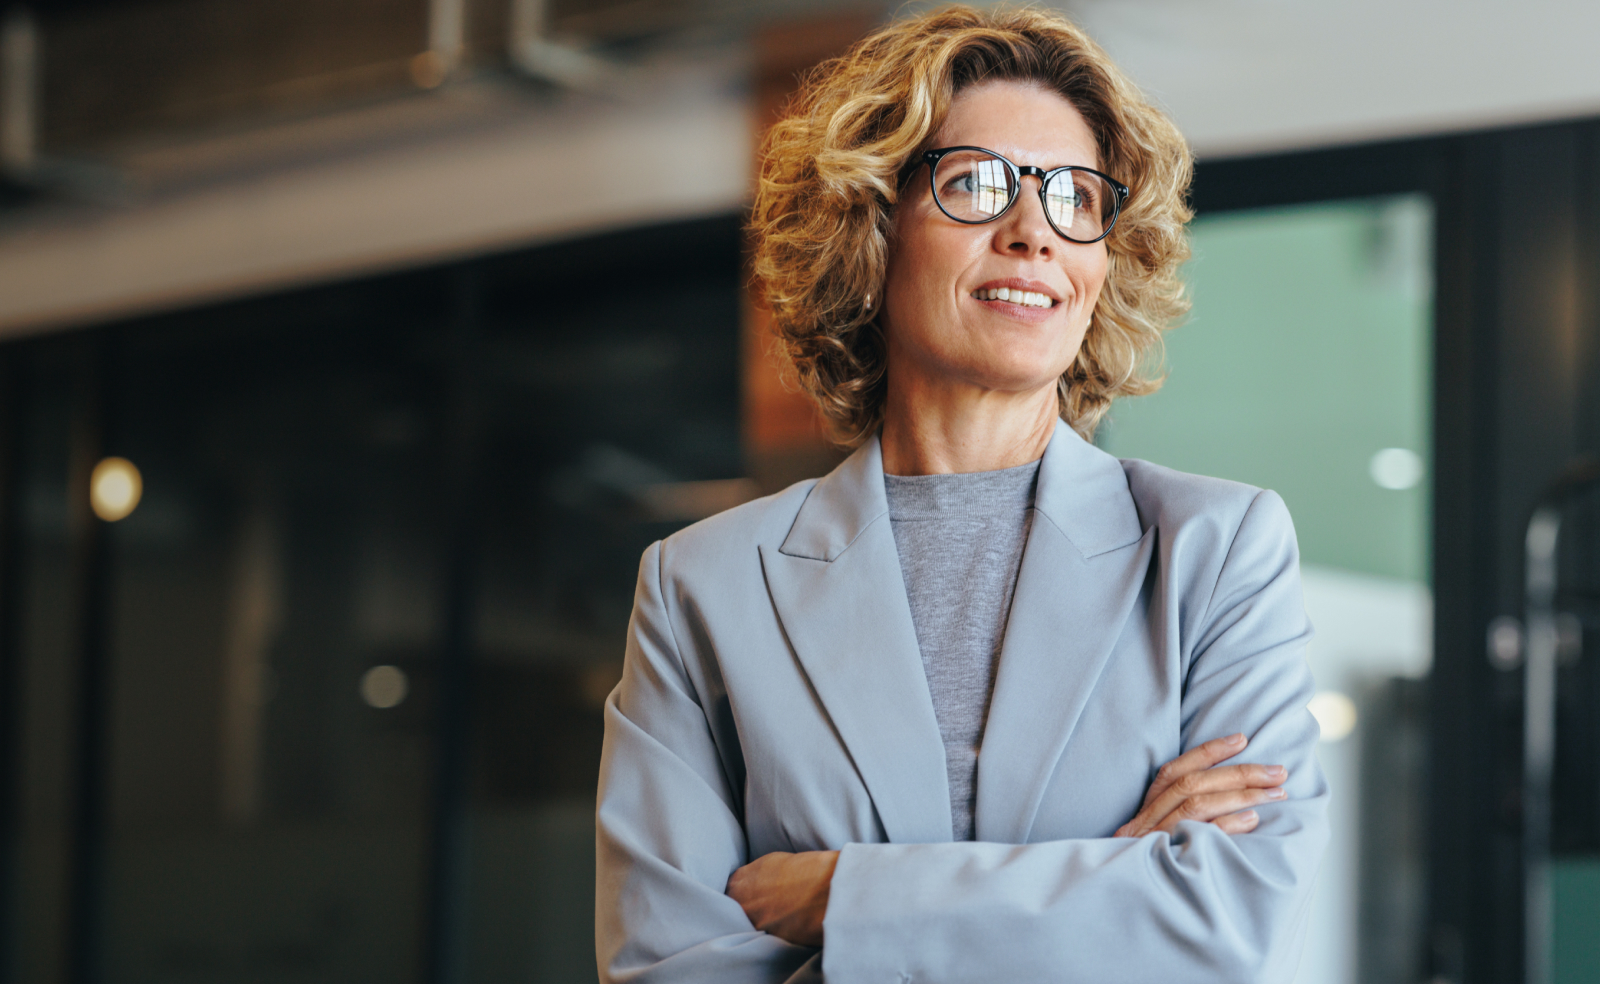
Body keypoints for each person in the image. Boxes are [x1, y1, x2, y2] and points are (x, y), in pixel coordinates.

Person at [595, 6, 1328, 981]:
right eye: (977, 185)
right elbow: (669, 970)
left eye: (1074, 195)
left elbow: (1223, 929)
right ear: (871, 221)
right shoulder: (700, 587)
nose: (1033, 231)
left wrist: (842, 899)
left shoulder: (1215, 548)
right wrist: (1114, 875)